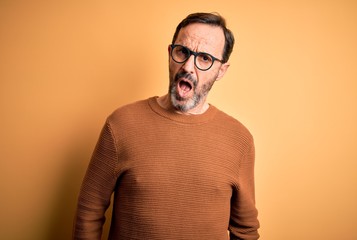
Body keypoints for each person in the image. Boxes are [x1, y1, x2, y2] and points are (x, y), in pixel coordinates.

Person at [73, 12, 260, 240]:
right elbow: (88, 212)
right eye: (183, 52)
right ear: (170, 54)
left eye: (204, 58)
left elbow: (246, 231)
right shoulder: (121, 124)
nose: (188, 67)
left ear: (221, 70)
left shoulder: (239, 139)